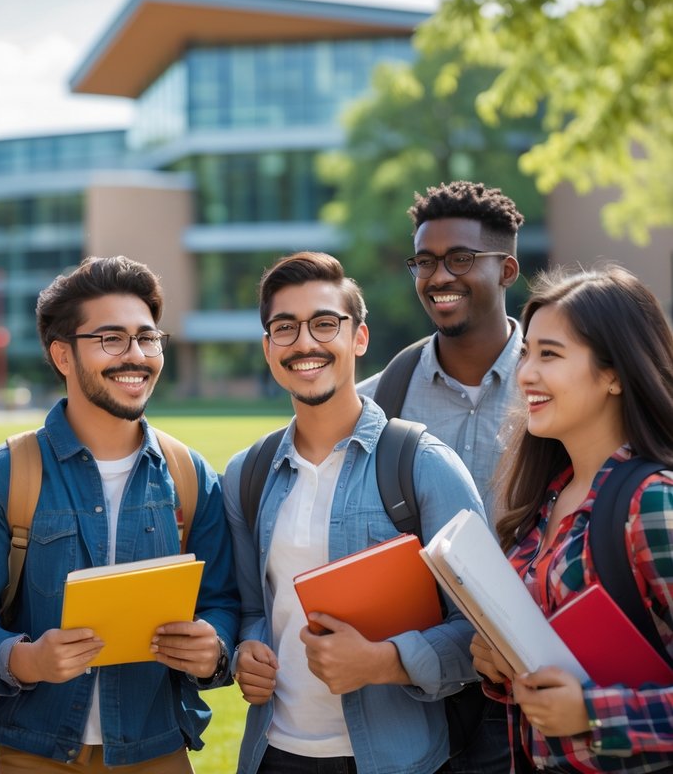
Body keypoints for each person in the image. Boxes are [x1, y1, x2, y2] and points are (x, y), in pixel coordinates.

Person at [0, 255, 239, 773]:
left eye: (147, 339)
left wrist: (214, 647)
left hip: (158, 752)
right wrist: (25, 658)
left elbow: (221, 603)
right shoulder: (0, 475)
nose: (136, 356)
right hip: (31, 754)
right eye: (111, 339)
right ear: (62, 355)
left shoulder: (191, 476)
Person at [225, 251, 485, 774]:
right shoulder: (245, 474)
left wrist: (384, 662)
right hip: (273, 754)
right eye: (285, 328)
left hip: (396, 758)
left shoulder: (425, 465)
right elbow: (253, 610)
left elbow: (483, 630)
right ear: (267, 347)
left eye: (325, 324)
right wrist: (246, 652)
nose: (305, 343)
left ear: (358, 339)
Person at [472, 265, 673, 771]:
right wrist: (503, 666)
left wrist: (592, 713)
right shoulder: (544, 500)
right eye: (526, 353)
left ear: (612, 374)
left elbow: (585, 705)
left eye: (550, 355)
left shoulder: (653, 503)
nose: (525, 375)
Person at [358, 180, 525, 772]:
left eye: (460, 259)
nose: (438, 277)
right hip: (416, 677)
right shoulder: (378, 402)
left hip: (536, 671)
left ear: (506, 269)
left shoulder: (559, 384)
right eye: (424, 261)